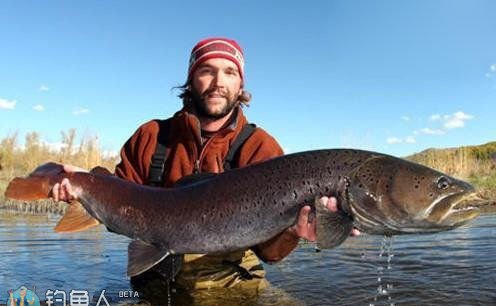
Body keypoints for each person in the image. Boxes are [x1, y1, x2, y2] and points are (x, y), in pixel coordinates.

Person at [52, 37, 359, 292]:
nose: (218, 82)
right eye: (207, 71)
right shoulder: (151, 136)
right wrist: (86, 185)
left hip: (233, 283)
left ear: (240, 85)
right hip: (154, 283)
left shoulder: (261, 147)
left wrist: (295, 231)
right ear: (191, 78)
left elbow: (270, 254)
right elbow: (118, 199)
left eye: (229, 72)